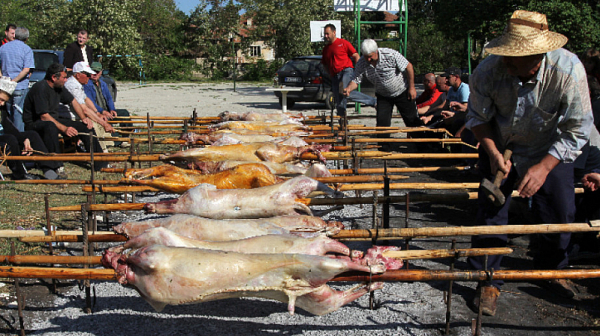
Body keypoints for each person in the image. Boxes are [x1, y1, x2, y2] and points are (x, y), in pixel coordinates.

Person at [465, 10, 593, 316]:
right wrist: (494, 154)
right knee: (491, 212)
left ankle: (551, 271)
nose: (507, 61)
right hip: (499, 143)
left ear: (539, 55)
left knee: (561, 210)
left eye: (515, 57)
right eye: (507, 55)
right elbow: (478, 119)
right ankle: (487, 279)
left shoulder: (568, 71)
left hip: (549, 147)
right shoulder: (488, 70)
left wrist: (545, 166)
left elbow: (578, 129)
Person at [23, 63, 109, 171]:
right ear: (54, 77)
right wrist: (64, 128)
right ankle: (57, 164)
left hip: (53, 120)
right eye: (64, 77)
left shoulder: (59, 87)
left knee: (86, 127)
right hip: (36, 123)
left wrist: (84, 118)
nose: (66, 80)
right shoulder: (40, 88)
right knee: (50, 127)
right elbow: (44, 116)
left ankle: (100, 162)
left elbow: (73, 101)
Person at [344, 39, 422, 151]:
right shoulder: (362, 62)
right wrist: (348, 88)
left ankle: (423, 143)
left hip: (402, 91)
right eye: (366, 57)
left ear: (376, 51)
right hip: (383, 95)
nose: (369, 59)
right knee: (382, 122)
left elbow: (408, 67)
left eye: (370, 56)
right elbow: (356, 80)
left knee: (411, 119)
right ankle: (384, 147)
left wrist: (412, 87)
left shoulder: (390, 54)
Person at [0, 76, 62, 180]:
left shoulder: (1, 109)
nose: (2, 103)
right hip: (3, 138)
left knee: (31, 135)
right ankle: (19, 174)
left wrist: (24, 139)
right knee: (11, 139)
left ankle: (48, 169)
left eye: (4, 101)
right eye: (1, 99)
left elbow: (8, 125)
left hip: (3, 134)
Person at [321, 24, 375, 119]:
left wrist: (358, 70)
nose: (326, 36)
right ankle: (342, 124)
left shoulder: (343, 43)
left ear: (334, 32)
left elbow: (355, 55)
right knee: (339, 99)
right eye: (325, 34)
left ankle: (373, 101)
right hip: (335, 75)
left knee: (345, 92)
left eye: (327, 34)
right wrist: (330, 74)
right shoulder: (326, 49)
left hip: (346, 71)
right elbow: (324, 64)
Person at [64, 61, 114, 151]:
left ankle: (105, 147)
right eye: (87, 74)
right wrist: (103, 123)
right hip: (71, 117)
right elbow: (84, 109)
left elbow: (86, 100)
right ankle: (100, 152)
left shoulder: (78, 84)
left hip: (79, 115)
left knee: (99, 120)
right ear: (78, 75)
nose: (90, 76)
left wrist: (97, 113)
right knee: (94, 124)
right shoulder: (72, 86)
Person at [84, 61, 130, 147]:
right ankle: (117, 140)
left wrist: (112, 109)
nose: (95, 74)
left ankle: (126, 137)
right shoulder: (87, 85)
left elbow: (109, 98)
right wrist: (102, 112)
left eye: (97, 72)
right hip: (96, 113)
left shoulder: (103, 84)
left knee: (124, 113)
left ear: (101, 72)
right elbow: (90, 103)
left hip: (106, 111)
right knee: (108, 130)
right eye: (93, 72)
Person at [0, 27, 34, 132]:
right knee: (18, 115)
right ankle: (19, 139)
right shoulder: (26, 49)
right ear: (27, 38)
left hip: (5, 86)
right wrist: (14, 81)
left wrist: (3, 78)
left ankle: (9, 139)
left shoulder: (3, 47)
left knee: (8, 113)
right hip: (20, 86)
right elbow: (26, 69)